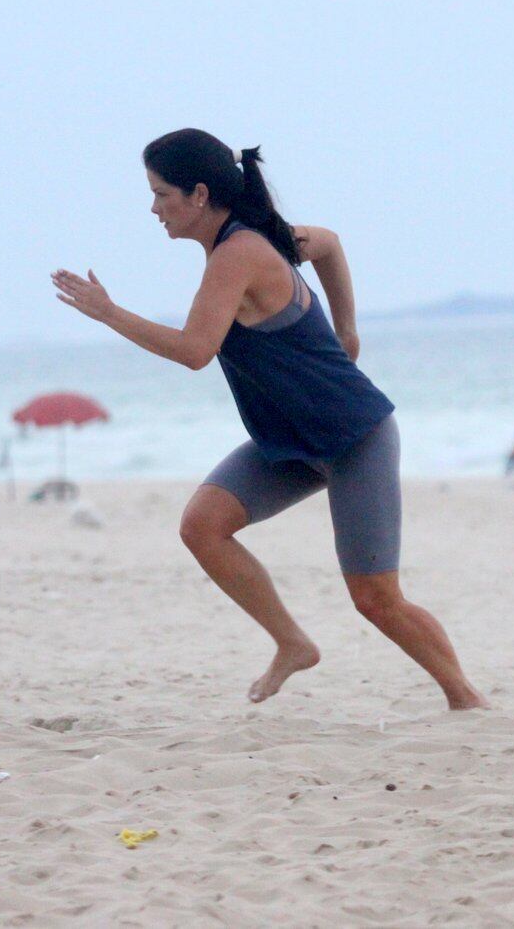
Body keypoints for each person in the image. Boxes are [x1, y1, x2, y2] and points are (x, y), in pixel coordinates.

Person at [50, 129, 486, 710]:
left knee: (376, 598)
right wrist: (346, 327)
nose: (153, 209)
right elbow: (328, 245)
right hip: (288, 439)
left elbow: (194, 351)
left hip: (354, 436)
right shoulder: (250, 245)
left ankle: (465, 699)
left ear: (199, 195)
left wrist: (109, 314)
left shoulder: (241, 253)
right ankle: (292, 643)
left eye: (161, 194)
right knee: (202, 525)